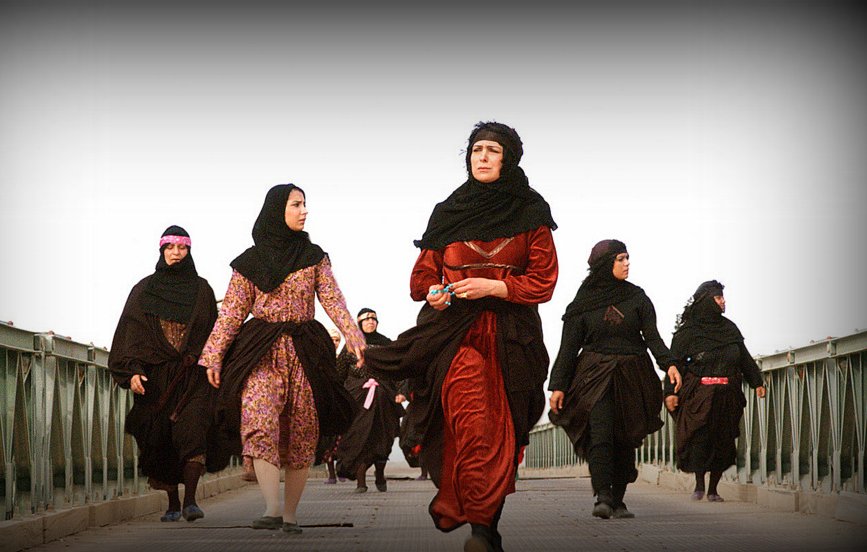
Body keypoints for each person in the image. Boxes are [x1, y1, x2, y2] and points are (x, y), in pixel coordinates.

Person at [365, 121, 559, 552]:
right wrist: (434, 293)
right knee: (472, 423)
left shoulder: (531, 213)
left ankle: (486, 525)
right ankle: (480, 526)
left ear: (508, 159)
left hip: (512, 337)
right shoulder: (448, 211)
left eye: (492, 150)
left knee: (503, 430)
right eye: (476, 150)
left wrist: (495, 287)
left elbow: (543, 281)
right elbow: (421, 277)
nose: (483, 157)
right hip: (454, 336)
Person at [199, 183, 366, 534]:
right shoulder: (249, 263)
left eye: (305, 204)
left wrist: (353, 333)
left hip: (305, 350)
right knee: (260, 420)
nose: (304, 211)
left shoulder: (315, 256)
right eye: (296, 204)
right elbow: (231, 312)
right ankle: (272, 508)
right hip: (261, 349)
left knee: (301, 431)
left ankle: (290, 515)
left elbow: (333, 299)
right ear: (278, 210)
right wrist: (213, 355)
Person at [548, 239, 682, 520]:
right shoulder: (583, 303)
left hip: (633, 375)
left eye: (627, 258)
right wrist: (558, 386)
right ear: (604, 264)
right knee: (601, 434)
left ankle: (618, 499)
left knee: (626, 437)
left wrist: (668, 363)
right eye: (620, 259)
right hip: (594, 376)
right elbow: (569, 348)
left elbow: (652, 337)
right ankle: (603, 496)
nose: (626, 263)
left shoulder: (638, 298)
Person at [108, 225, 218, 523]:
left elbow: (215, 333)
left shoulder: (202, 290)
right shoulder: (144, 290)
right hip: (154, 380)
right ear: (162, 251)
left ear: (189, 251)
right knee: (160, 441)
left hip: (192, 378)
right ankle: (172, 502)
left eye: (182, 248)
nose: (176, 254)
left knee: (193, 432)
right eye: (170, 248)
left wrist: (211, 363)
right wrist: (131, 373)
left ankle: (191, 501)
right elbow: (130, 334)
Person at [665, 280, 766, 502]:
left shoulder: (729, 329)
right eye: (719, 298)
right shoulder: (687, 333)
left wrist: (757, 381)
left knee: (723, 441)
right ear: (707, 301)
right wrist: (670, 392)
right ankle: (700, 485)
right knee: (700, 439)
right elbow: (675, 365)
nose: (723, 302)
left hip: (727, 396)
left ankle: (713, 490)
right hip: (699, 397)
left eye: (722, 298)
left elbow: (744, 359)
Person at [334, 308, 404, 493]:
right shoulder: (351, 345)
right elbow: (339, 374)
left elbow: (398, 370)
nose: (370, 322)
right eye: (366, 320)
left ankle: (380, 473)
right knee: (358, 437)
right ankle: (361, 481)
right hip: (356, 399)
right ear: (360, 324)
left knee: (383, 437)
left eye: (373, 319)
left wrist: (400, 392)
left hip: (384, 398)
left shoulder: (387, 345)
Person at [318, 327, 346, 484]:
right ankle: (331, 474)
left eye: (337, 340)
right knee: (328, 440)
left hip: (340, 401)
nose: (334, 343)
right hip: (326, 402)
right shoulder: (320, 357)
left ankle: (342, 470)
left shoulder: (343, 357)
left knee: (341, 439)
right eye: (332, 339)